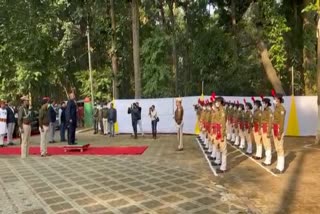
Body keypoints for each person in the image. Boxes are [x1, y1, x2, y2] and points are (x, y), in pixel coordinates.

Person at [272, 93, 286, 174]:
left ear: (279, 100)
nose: (274, 100)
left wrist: (280, 133)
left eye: (276, 98)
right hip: (275, 129)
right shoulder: (276, 108)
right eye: (274, 98)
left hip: (278, 129)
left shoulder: (281, 109)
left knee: (280, 148)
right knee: (277, 148)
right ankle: (278, 166)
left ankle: (281, 168)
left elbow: (281, 122)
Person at [213, 96, 227, 173]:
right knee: (217, 147)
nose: (216, 103)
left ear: (221, 102)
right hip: (216, 131)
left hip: (221, 132)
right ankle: (218, 161)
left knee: (223, 150)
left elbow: (223, 124)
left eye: (218, 102)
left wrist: (222, 135)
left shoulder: (222, 111)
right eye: (216, 102)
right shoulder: (217, 110)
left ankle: (223, 167)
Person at [261, 97, 273, 166]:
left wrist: (268, 132)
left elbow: (270, 121)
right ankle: (267, 159)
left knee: (267, 144)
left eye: (263, 103)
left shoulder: (269, 111)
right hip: (263, 128)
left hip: (266, 128)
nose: (263, 104)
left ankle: (268, 160)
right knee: (265, 144)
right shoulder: (264, 110)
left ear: (266, 104)